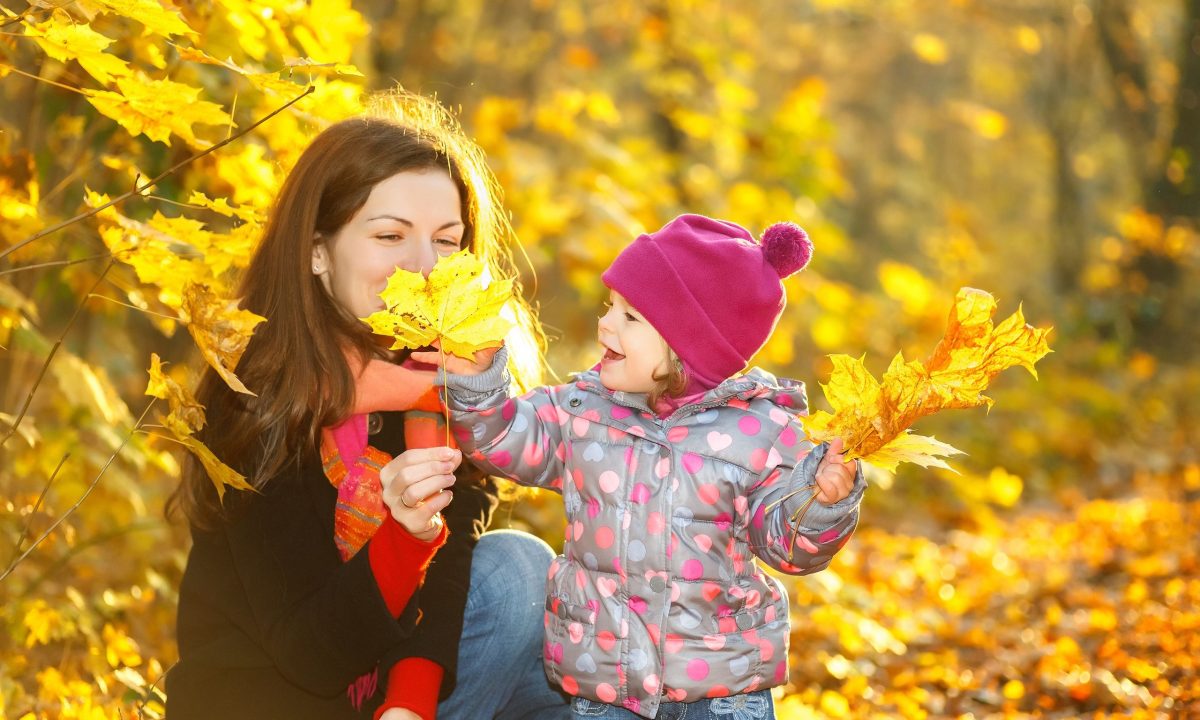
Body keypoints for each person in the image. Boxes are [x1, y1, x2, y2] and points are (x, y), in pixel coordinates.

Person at [166, 91, 570, 720]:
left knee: (555, 663)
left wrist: (408, 704)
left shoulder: (453, 385)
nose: (423, 266)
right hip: (270, 702)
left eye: (447, 240)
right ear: (317, 252)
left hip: (390, 700)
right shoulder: (260, 393)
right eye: (389, 236)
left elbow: (450, 569)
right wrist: (406, 534)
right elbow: (309, 656)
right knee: (520, 576)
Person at [424, 214, 867, 720]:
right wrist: (479, 383)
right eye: (609, 306)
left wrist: (821, 505)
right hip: (608, 685)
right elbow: (504, 438)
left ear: (689, 344)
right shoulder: (583, 411)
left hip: (723, 691)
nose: (606, 323)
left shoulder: (762, 433)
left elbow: (787, 548)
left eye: (631, 317)